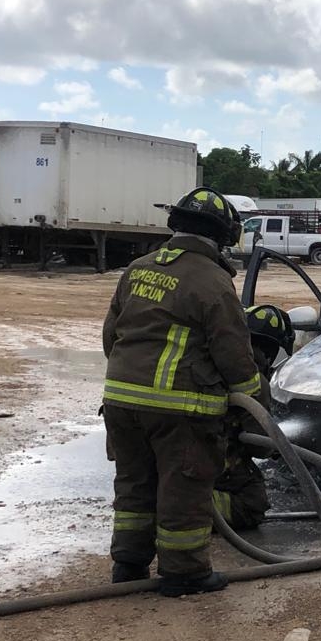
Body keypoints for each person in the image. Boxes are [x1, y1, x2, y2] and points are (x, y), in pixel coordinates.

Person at [102, 187, 261, 597]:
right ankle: (184, 572)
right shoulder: (213, 281)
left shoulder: (138, 268)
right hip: (180, 407)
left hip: (121, 400)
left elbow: (111, 335)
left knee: (135, 482)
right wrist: (253, 404)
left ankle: (128, 564)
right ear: (223, 236)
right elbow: (233, 353)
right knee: (184, 485)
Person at [213, 305, 295, 530]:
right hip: (204, 461)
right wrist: (275, 445)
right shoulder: (253, 379)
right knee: (253, 503)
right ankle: (192, 507)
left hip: (167, 453)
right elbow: (259, 447)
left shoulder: (212, 360)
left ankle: (171, 501)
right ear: (270, 351)